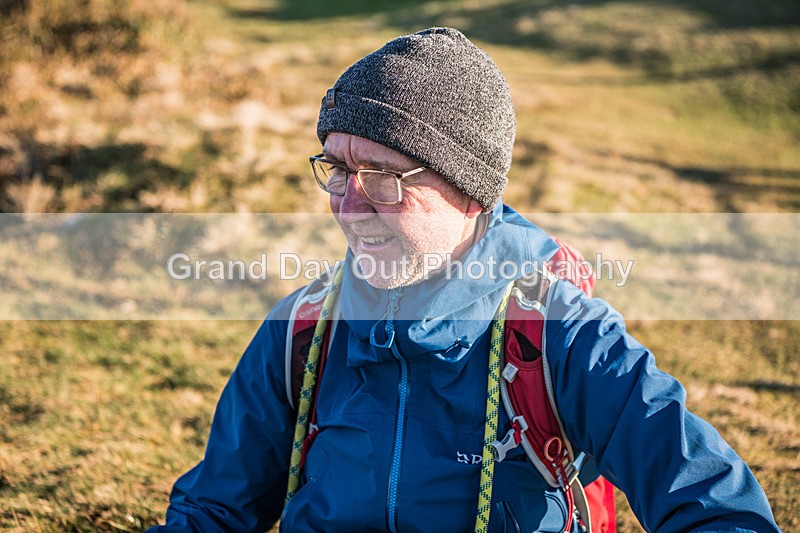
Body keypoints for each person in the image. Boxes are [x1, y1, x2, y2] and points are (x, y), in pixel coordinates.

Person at [149, 28, 781, 532]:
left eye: (381, 178)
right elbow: (213, 511)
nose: (347, 204)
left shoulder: (561, 336)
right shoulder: (302, 332)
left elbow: (716, 508)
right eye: (336, 169)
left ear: (471, 194)